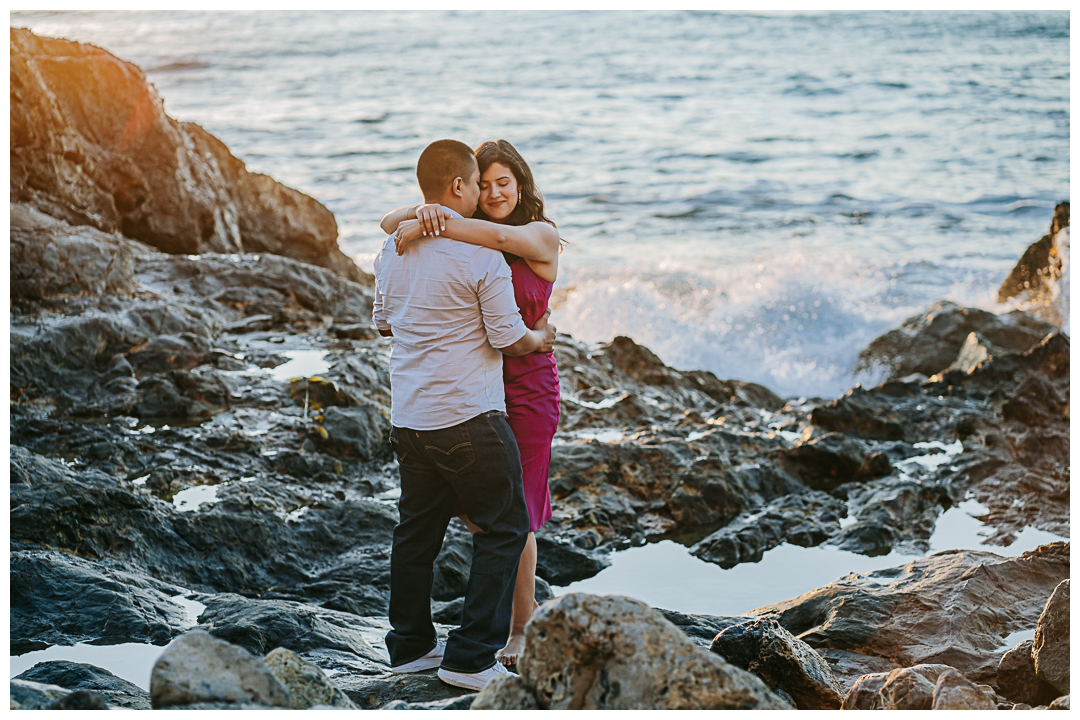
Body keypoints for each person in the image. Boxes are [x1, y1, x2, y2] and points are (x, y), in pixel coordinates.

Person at [373, 139, 556, 691]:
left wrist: (428, 221)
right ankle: (472, 655)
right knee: (505, 526)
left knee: (416, 532)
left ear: (520, 184)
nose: (490, 191)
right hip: (473, 408)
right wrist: (543, 335)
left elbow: (384, 322)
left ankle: (410, 647)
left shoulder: (395, 250)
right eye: (482, 182)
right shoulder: (479, 258)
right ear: (461, 186)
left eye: (502, 182)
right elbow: (509, 338)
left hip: (413, 412)